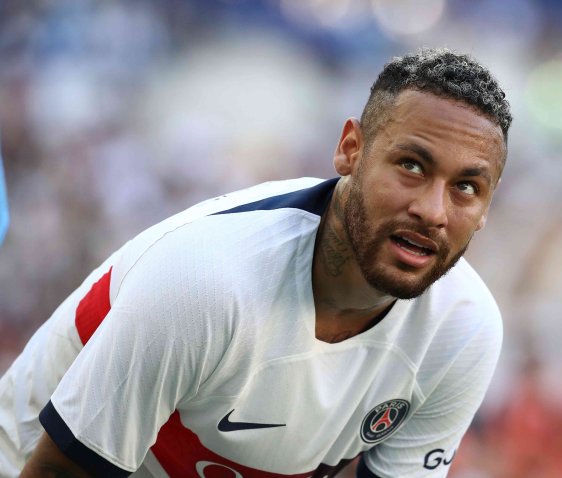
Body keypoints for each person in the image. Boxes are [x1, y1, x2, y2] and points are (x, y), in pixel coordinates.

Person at [0, 48, 512, 477]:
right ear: (350, 150)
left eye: (466, 187)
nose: (432, 210)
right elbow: (57, 471)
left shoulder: (464, 331)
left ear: (487, 209)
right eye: (410, 165)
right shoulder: (207, 283)